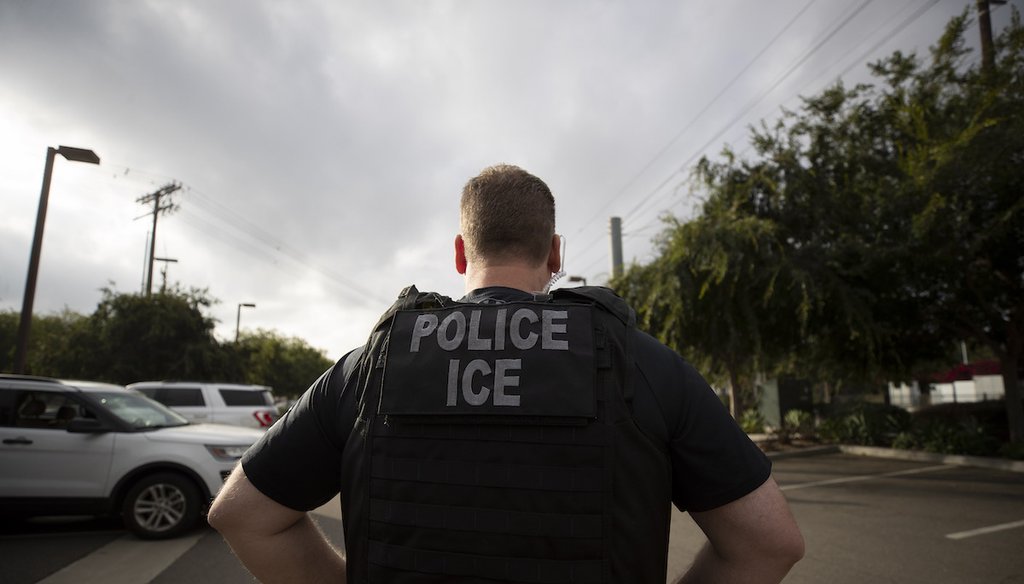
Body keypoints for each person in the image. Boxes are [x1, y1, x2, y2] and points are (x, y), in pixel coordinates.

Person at [209, 164, 804, 583]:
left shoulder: (373, 366)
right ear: (555, 255)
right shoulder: (641, 361)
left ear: (461, 254)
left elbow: (241, 515)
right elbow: (769, 544)